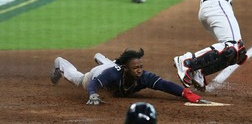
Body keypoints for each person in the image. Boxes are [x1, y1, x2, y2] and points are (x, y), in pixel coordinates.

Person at [50, 48, 202, 105]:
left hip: (114, 67)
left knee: (112, 66)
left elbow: (164, 85)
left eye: (140, 67)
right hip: (96, 74)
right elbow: (94, 84)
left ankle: (103, 58)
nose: (139, 70)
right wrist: (93, 94)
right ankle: (60, 64)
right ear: (125, 69)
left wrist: (186, 93)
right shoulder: (112, 74)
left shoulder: (143, 76)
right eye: (135, 68)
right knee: (79, 79)